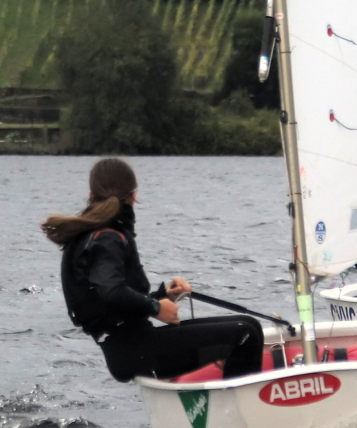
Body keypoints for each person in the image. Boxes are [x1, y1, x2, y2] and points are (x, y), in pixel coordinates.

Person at [44, 158, 263, 382]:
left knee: (251, 324)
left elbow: (114, 300)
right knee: (246, 335)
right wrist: (156, 306)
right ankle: (236, 412)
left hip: (135, 344)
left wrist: (165, 296)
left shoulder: (98, 235)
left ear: (91, 194)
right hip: (134, 351)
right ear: (134, 195)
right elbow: (111, 291)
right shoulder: (107, 237)